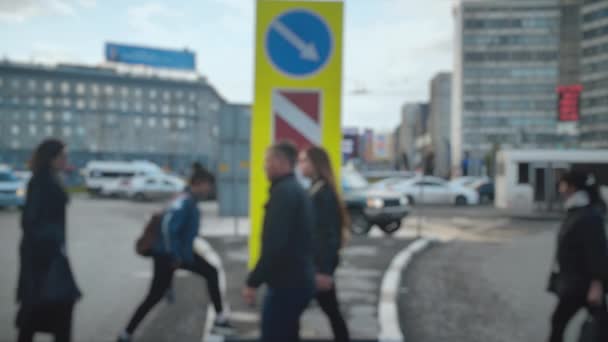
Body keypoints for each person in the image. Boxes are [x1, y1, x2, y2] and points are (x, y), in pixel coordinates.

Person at [118, 167, 233, 342]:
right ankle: (126, 333)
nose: (210, 189)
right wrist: (175, 256)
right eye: (209, 185)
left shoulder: (185, 199)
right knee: (155, 295)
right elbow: (169, 228)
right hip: (170, 256)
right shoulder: (185, 201)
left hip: (175, 254)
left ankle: (220, 317)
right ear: (199, 184)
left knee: (210, 272)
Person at [242, 142, 316, 342]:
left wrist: (252, 282)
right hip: (298, 280)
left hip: (287, 284)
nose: (265, 166)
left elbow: (274, 245)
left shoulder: (284, 194)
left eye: (268, 161)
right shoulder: (295, 190)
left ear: (281, 162)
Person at [17, 139, 81, 342]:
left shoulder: (49, 179)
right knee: (53, 311)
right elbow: (31, 222)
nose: (66, 160)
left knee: (38, 315)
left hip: (47, 258)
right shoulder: (41, 182)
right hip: (44, 261)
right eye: (62, 156)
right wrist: (52, 248)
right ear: (51, 158)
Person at [547, 170, 608, 342]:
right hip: (575, 282)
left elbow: (598, 251)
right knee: (600, 324)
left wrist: (597, 284)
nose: (560, 188)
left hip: (582, 284)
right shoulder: (576, 211)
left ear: (572, 187)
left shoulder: (588, 215)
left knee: (558, 322)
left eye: (563, 184)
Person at [298, 146, 351, 342]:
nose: (300, 164)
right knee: (330, 311)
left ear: (315, 164)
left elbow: (329, 236)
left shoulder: (323, 194)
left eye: (304, 160)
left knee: (290, 311)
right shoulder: (315, 189)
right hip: (314, 266)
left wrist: (324, 271)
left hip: (317, 268)